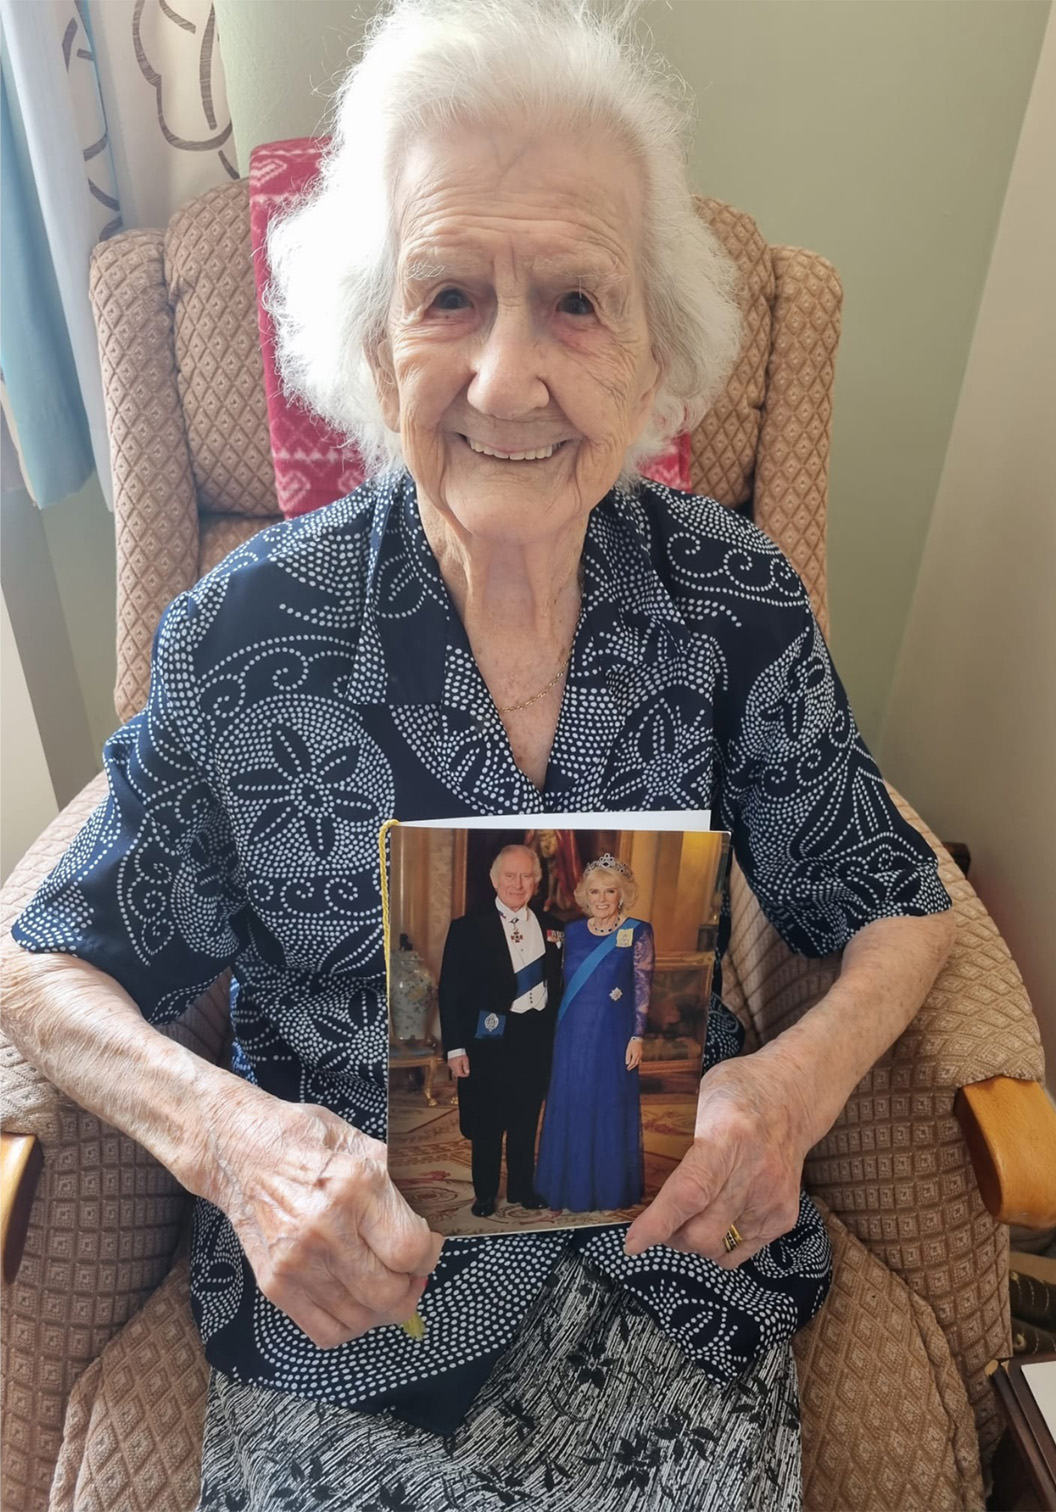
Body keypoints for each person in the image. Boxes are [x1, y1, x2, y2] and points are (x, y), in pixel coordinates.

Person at [0, 2, 957, 1507]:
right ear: (374, 346)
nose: (506, 380)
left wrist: (791, 1087)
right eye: (448, 295)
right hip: (356, 1313)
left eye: (576, 302)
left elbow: (899, 902)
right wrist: (233, 1145)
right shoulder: (245, 638)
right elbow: (46, 962)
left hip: (669, 1284)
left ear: (655, 358)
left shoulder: (732, 602)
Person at [439, 843, 563, 1216]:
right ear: (494, 880)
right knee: (488, 1122)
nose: (517, 884)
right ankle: (485, 1193)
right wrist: (455, 1048)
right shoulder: (468, 928)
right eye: (510, 875)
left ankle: (523, 1188)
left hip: (535, 1037)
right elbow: (450, 991)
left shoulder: (553, 927)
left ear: (536, 882)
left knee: (526, 1118)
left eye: (526, 876)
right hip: (488, 1038)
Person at [535, 855, 651, 1211]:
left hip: (613, 1035)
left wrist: (637, 1036)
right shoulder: (570, 932)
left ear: (622, 894)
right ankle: (567, 1185)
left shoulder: (638, 931)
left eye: (610, 891)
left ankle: (608, 1188)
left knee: (607, 1105)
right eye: (595, 891)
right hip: (571, 1034)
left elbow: (643, 987)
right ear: (585, 895)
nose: (602, 899)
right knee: (573, 1101)